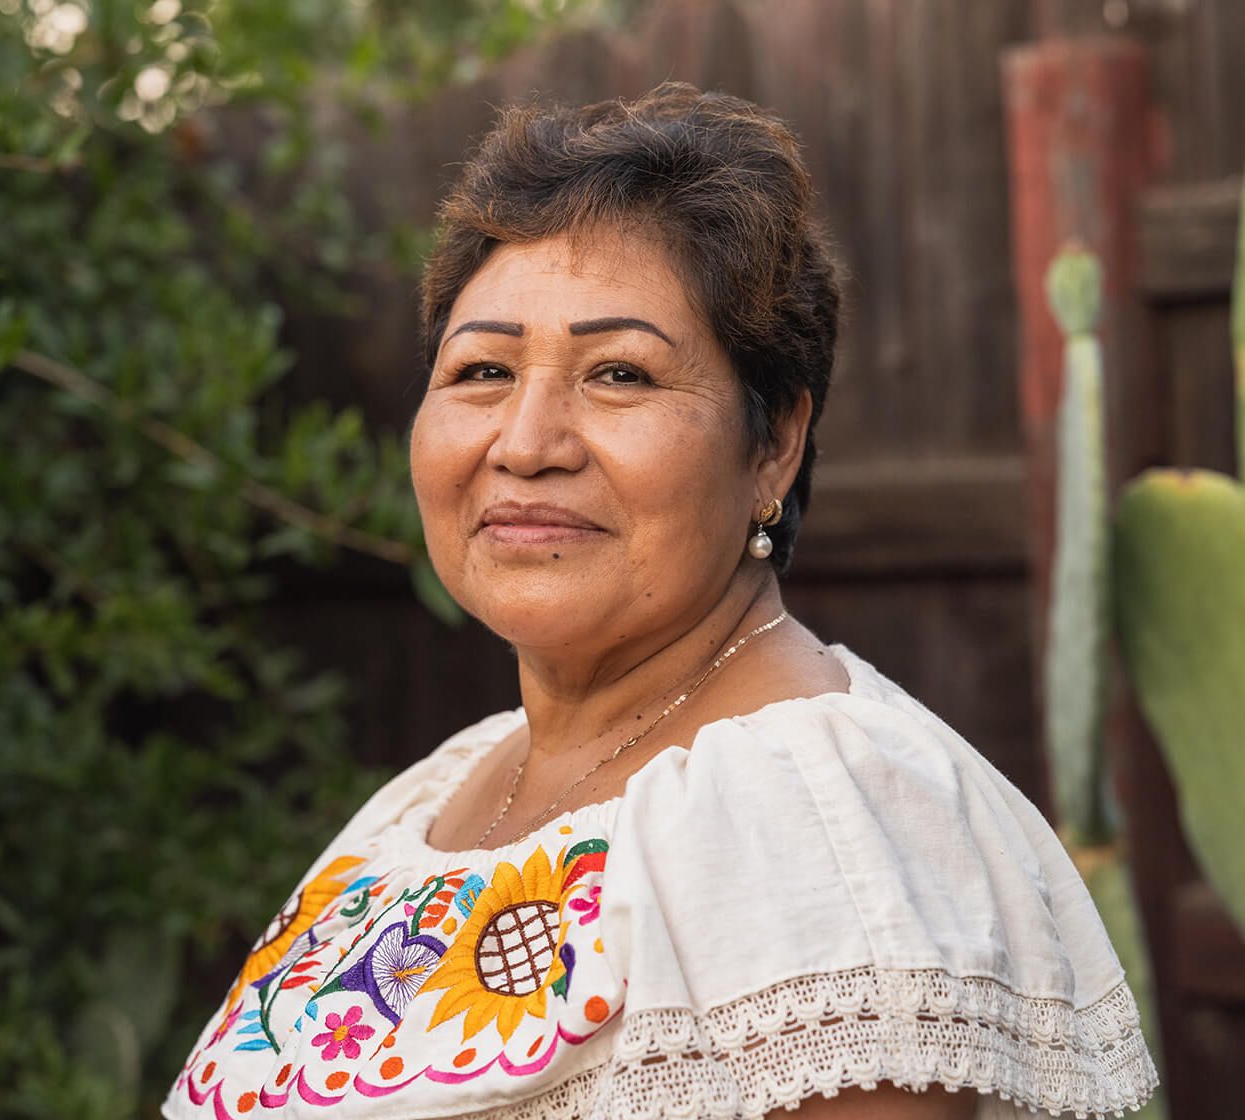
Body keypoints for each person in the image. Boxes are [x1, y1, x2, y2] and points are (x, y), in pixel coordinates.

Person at [162, 82, 1158, 1120]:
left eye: (620, 375)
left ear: (770, 442)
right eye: (482, 369)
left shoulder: (817, 814)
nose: (525, 442)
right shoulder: (426, 803)